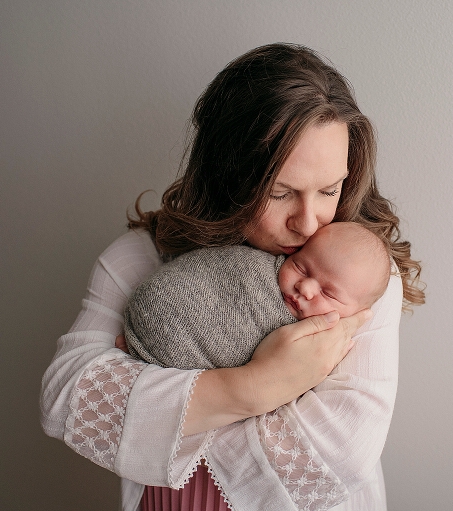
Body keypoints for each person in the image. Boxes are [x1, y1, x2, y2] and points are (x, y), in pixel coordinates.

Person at [40, 42, 425, 511]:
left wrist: (156, 404)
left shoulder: (354, 279)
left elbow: (341, 452)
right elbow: (67, 400)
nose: (308, 223)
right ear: (226, 175)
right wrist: (258, 385)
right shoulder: (142, 258)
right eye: (280, 192)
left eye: (329, 189)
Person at [124, 221, 391, 370]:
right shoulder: (254, 263)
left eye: (328, 293)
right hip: (159, 304)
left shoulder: (328, 342)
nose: (305, 288)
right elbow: (209, 269)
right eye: (300, 267)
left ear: (356, 313)